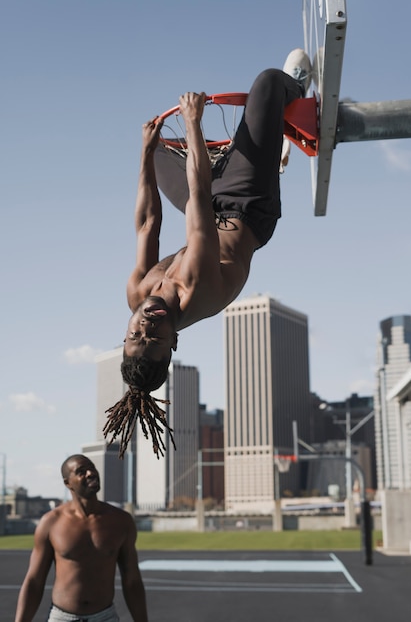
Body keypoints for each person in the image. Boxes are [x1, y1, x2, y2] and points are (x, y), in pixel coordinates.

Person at [103, 50, 312, 459]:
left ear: (124, 333)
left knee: (159, 146)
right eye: (155, 338)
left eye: (135, 335)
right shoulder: (193, 291)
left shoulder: (136, 293)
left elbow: (147, 223)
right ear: (174, 343)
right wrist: (194, 121)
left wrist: (145, 156)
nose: (146, 326)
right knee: (268, 82)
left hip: (208, 198)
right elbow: (197, 199)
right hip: (245, 204)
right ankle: (294, 93)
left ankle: (254, 151)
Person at [15, 454, 148, 622]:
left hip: (105, 617)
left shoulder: (121, 521)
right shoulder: (51, 522)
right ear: (68, 483)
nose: (91, 473)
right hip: (62, 618)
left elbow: (132, 581)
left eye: (92, 468)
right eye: (81, 471)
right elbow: (34, 581)